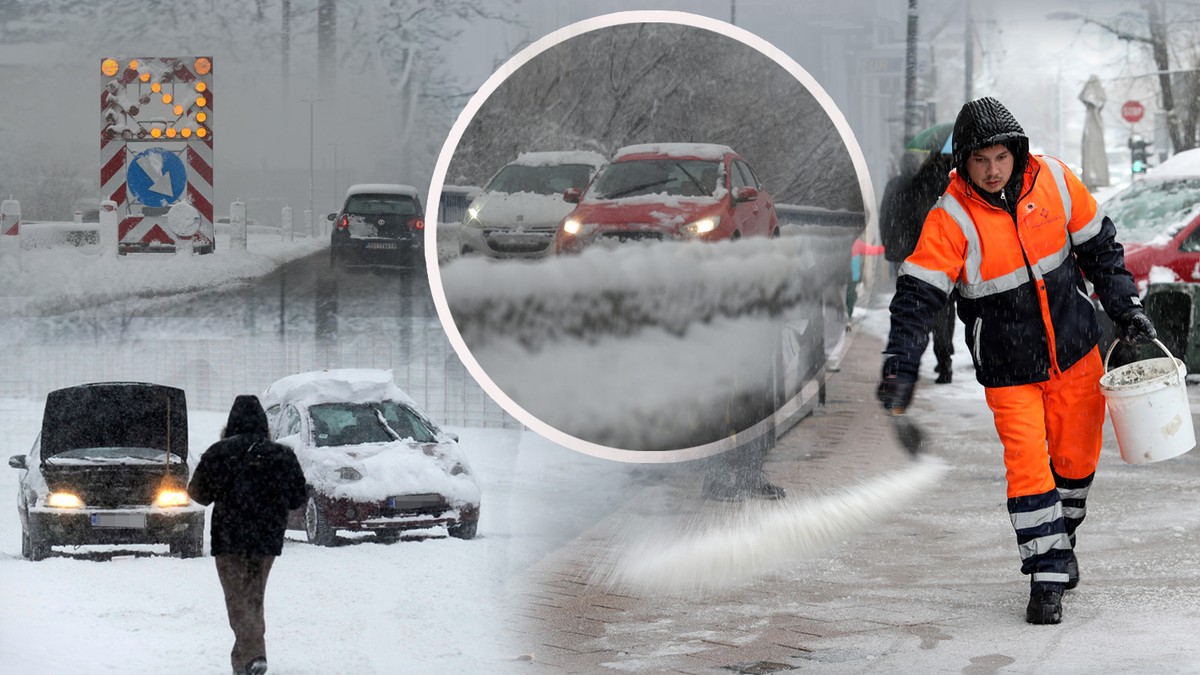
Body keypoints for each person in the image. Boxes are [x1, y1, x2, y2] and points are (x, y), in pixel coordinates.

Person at [876, 96, 1157, 625]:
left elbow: (1101, 249)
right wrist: (901, 361)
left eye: (999, 158)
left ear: (1017, 152)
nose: (990, 170)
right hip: (1009, 369)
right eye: (979, 160)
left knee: (1075, 466)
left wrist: (1126, 307)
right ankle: (1046, 573)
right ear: (963, 161)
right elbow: (916, 297)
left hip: (1076, 355)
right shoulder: (951, 216)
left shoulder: (1054, 180)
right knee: (1028, 467)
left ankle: (1061, 539)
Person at [188, 395, 307, 675]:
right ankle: (244, 663)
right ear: (263, 423)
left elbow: (198, 494)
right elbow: (297, 498)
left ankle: (254, 656)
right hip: (267, 539)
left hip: (230, 538)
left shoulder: (219, 453)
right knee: (253, 596)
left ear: (232, 422)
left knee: (238, 599)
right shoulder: (282, 455)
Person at [880, 145, 958, 383]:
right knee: (944, 311)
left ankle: (913, 360)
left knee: (914, 308)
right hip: (940, 256)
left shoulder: (901, 184)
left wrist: (892, 248)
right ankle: (944, 360)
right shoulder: (945, 185)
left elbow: (887, 219)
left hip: (910, 257)